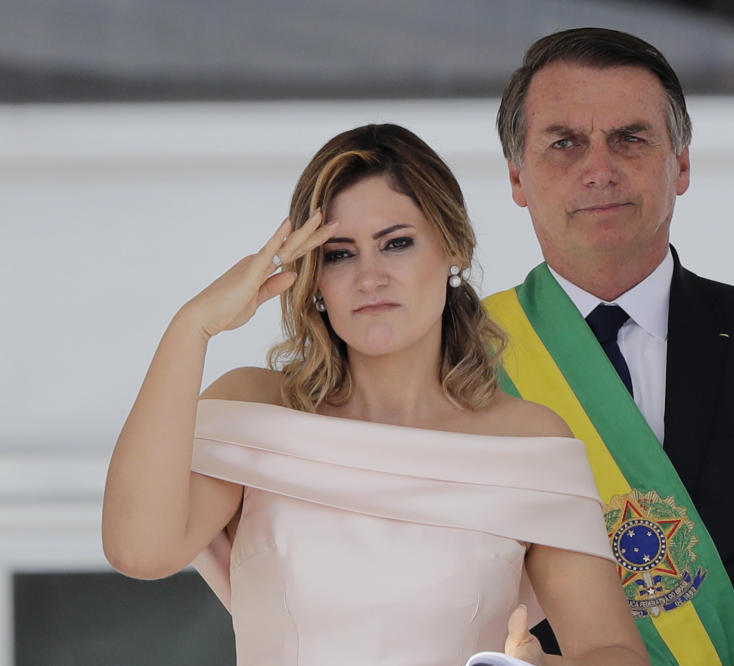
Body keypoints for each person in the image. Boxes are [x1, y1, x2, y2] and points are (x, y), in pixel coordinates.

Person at [101, 124, 650, 666]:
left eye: (396, 244)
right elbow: (138, 551)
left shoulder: (529, 441)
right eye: (339, 254)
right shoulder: (255, 409)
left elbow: (612, 651)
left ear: (453, 249)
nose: (370, 277)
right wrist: (192, 325)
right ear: (313, 278)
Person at [485, 28, 734, 665]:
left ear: (683, 164)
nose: (599, 170)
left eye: (630, 138)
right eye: (565, 143)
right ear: (518, 177)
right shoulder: (464, 358)